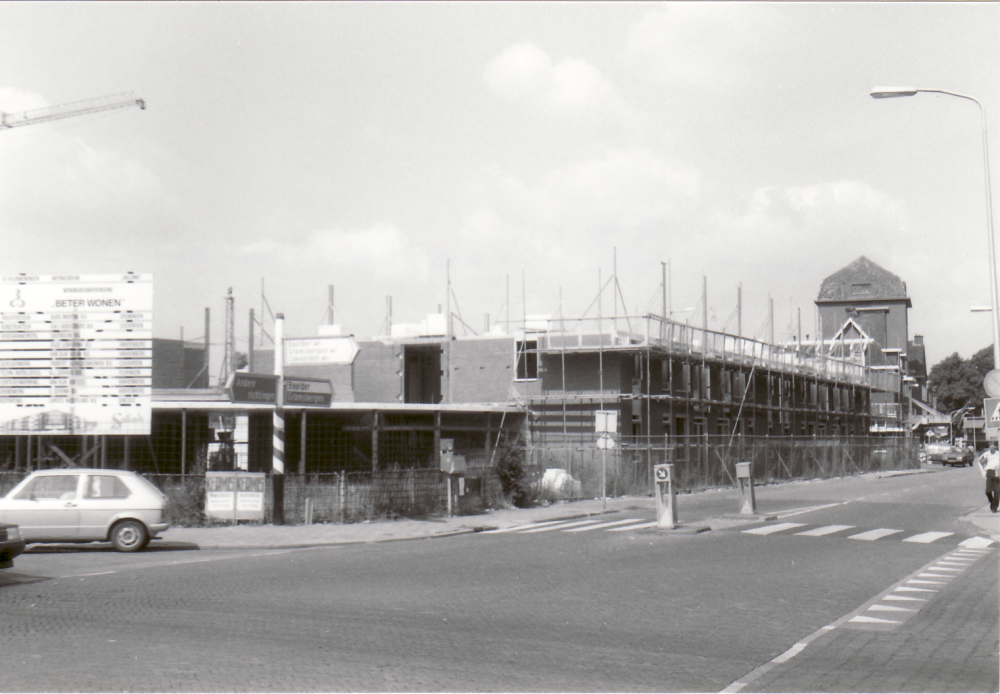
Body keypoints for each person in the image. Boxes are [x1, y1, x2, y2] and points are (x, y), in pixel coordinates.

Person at [978, 441, 1000, 513]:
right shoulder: (986, 454)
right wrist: (985, 459)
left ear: (995, 447)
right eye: (990, 446)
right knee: (988, 491)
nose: (991, 447)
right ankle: (992, 502)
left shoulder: (998, 454)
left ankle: (994, 507)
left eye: (992, 446)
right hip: (989, 473)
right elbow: (981, 462)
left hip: (996, 473)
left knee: (997, 492)